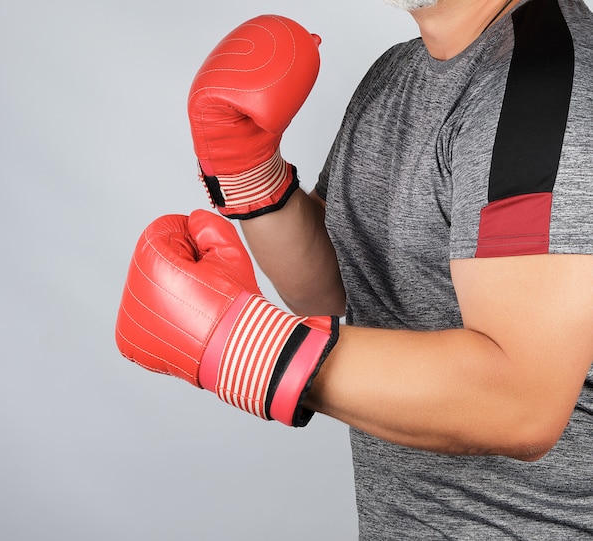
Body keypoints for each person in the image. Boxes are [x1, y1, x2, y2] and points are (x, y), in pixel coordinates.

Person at [116, 0, 593, 538]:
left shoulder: (545, 86)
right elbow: (333, 291)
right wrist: (248, 171)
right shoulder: (397, 73)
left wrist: (243, 350)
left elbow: (521, 402)